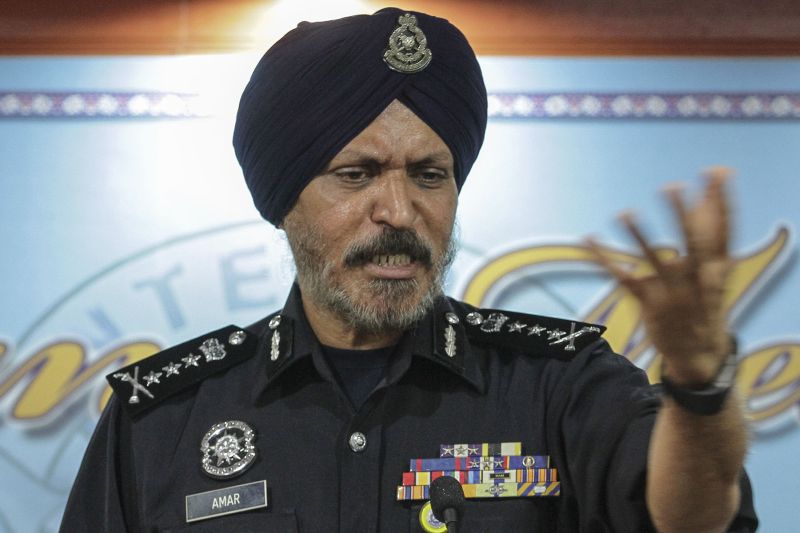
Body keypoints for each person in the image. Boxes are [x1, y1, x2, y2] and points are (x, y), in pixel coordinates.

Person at [60, 7, 757, 532]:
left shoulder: (561, 384)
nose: (398, 209)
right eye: (356, 173)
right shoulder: (160, 418)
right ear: (283, 201)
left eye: (429, 173)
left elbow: (693, 518)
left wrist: (700, 387)